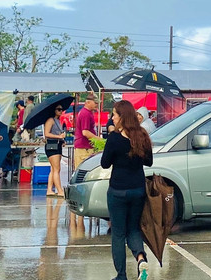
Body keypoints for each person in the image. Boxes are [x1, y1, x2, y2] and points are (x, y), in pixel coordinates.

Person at [101, 99, 154, 280]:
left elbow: (105, 163)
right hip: (138, 189)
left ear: (122, 117)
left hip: (118, 190)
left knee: (118, 233)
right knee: (133, 229)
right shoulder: (142, 135)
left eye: (114, 115)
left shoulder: (114, 138)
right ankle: (141, 259)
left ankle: (121, 275)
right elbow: (149, 162)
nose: (112, 119)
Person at [43, 103, 66, 197]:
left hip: (58, 145)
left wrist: (62, 139)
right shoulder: (50, 120)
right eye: (58, 109)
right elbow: (46, 134)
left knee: (53, 169)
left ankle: (49, 189)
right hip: (52, 146)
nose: (61, 111)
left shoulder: (58, 121)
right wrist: (59, 136)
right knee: (57, 169)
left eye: (61, 109)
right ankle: (60, 190)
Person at [73, 93, 99, 170]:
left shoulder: (87, 113)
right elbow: (85, 132)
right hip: (84, 149)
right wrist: (98, 139)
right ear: (88, 102)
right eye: (95, 102)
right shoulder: (85, 114)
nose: (97, 104)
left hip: (85, 148)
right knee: (84, 171)